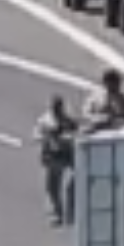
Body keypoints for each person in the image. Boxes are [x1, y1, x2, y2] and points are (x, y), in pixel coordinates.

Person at [35, 96, 78, 225]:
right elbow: (37, 135)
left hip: (67, 155)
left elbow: (77, 132)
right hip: (53, 156)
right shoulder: (45, 121)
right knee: (53, 187)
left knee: (73, 184)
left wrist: (68, 137)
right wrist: (48, 138)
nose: (58, 109)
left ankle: (71, 213)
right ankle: (58, 214)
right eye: (55, 107)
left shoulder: (68, 120)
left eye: (59, 107)